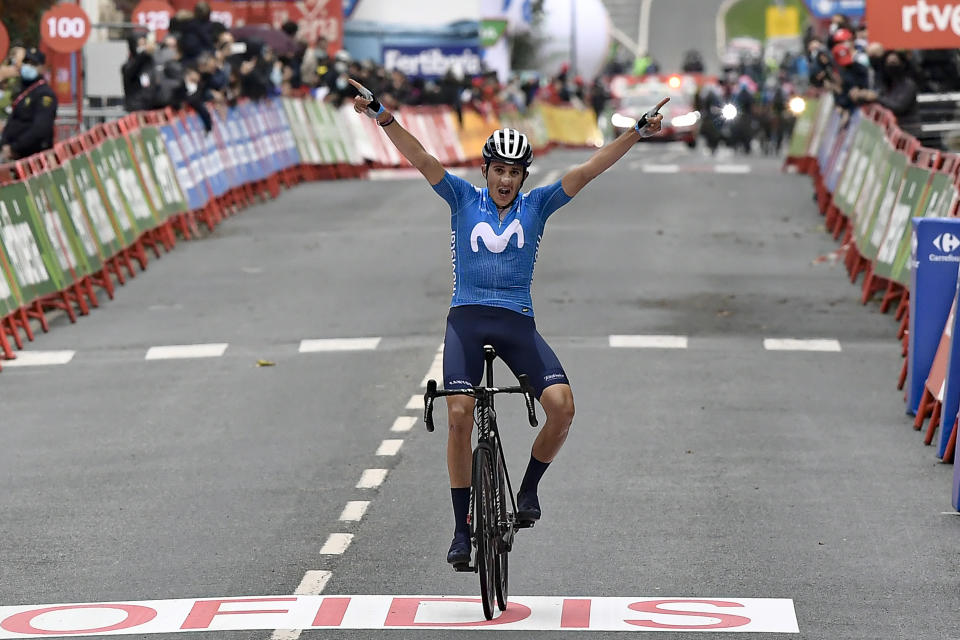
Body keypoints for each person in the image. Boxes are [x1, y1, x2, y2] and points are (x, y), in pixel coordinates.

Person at [348, 77, 665, 565]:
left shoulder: (538, 205)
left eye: (514, 173)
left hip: (517, 321)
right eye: (499, 170)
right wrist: (382, 115)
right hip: (467, 321)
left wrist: (635, 134)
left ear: (523, 176)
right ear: (486, 170)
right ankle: (461, 528)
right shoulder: (461, 198)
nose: (505, 180)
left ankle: (529, 491)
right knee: (458, 415)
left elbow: (588, 171)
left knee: (562, 406)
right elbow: (424, 159)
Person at [0, 49, 57, 162]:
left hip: (32, 158)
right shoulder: (24, 90)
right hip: (15, 155)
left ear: (41, 68)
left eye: (33, 64)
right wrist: (5, 144)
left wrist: (15, 147)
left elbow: (40, 129)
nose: (28, 67)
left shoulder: (44, 94)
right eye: (26, 62)